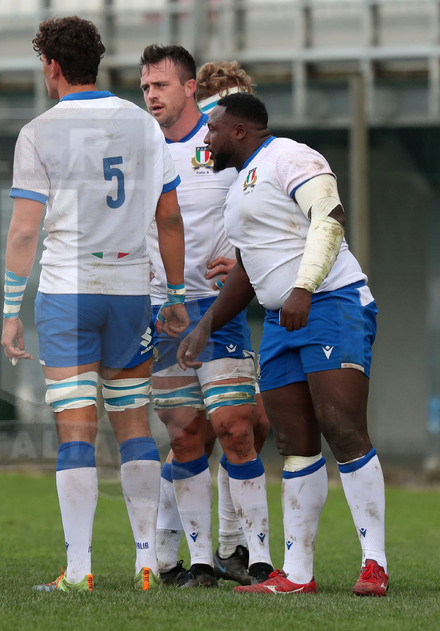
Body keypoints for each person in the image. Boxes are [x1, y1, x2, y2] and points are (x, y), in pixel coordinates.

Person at [2, 17, 188, 593]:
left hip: (68, 293)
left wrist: (11, 310)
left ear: (52, 68)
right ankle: (147, 564)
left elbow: (24, 232)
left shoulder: (39, 131)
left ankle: (79, 569)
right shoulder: (143, 124)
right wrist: (176, 295)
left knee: (76, 433)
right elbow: (170, 217)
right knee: (134, 426)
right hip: (131, 290)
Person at [179, 92, 388, 596]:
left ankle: (374, 564)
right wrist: (206, 325)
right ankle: (297, 574)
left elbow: (331, 217)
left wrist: (304, 287)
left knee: (342, 427)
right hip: (280, 319)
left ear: (238, 131)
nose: (205, 138)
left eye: (212, 129)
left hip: (332, 303)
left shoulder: (291, 156)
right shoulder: (237, 187)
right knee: (294, 444)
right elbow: (251, 266)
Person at [139, 45, 273, 589]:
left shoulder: (220, 143)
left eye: (161, 86)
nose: (151, 96)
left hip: (219, 311)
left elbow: (262, 206)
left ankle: (256, 557)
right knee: (186, 434)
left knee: (238, 426)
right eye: (145, 87)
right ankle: (195, 563)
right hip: (161, 311)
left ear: (190, 88)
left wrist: (246, 257)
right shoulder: (135, 147)